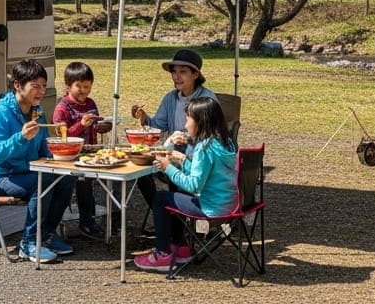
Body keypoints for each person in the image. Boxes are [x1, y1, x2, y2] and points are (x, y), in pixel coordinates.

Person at [0, 59, 77, 263]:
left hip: (23, 173)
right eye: (35, 86)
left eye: (44, 86)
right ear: (17, 85)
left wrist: (63, 157)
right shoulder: (0, 113)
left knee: (66, 177)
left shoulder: (37, 112)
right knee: (43, 180)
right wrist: (20, 138)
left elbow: (44, 149)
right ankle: (29, 243)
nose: (41, 92)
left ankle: (46, 235)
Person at [132, 95, 237, 272]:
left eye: (188, 119)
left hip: (211, 208)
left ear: (200, 122)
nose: (186, 124)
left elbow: (194, 185)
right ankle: (181, 247)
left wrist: (168, 168)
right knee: (178, 193)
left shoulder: (204, 148)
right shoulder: (223, 142)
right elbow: (206, 174)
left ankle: (162, 253)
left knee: (161, 198)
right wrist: (183, 160)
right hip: (229, 204)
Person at [129, 48, 217, 210]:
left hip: (196, 158)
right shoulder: (171, 98)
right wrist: (143, 117)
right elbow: (157, 126)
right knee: (140, 170)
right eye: (174, 72)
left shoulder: (207, 100)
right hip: (172, 152)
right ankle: (164, 210)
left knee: (162, 165)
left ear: (195, 74)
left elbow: (213, 136)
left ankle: (173, 211)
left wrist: (187, 139)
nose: (176, 76)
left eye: (182, 72)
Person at [53, 61, 112, 241]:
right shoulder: (62, 108)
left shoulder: (91, 103)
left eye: (87, 86)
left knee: (89, 188)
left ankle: (93, 221)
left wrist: (102, 127)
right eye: (78, 86)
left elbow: (95, 126)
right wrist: (81, 125)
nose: (83, 90)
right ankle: (86, 223)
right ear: (67, 86)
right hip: (69, 157)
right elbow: (62, 136)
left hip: (89, 155)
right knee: (82, 185)